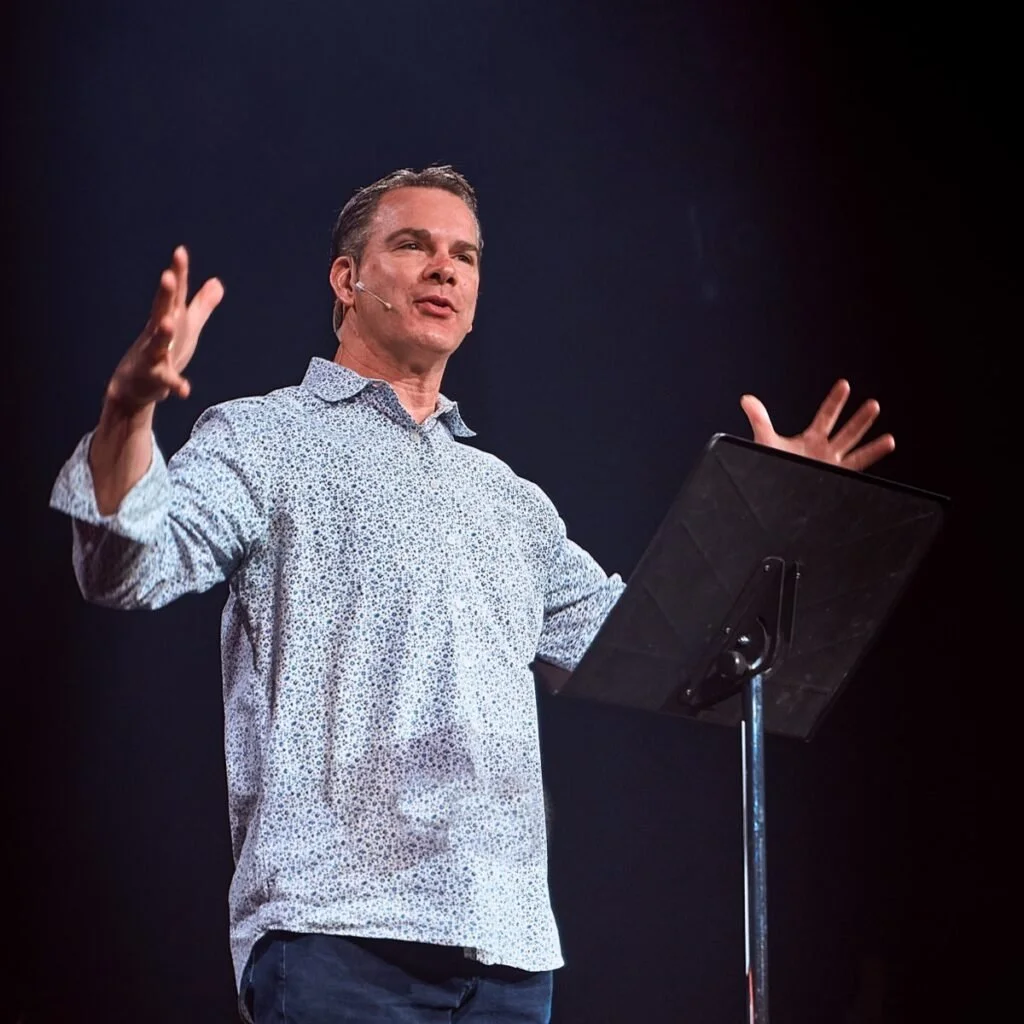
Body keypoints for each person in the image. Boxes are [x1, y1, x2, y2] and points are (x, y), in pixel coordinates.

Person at [49, 165, 895, 1024]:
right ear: (347, 280)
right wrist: (127, 413)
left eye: (464, 255)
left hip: (508, 948)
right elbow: (128, 564)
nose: (443, 268)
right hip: (337, 933)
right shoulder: (265, 437)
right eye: (411, 245)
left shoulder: (510, 501)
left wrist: (776, 510)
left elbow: (663, 649)